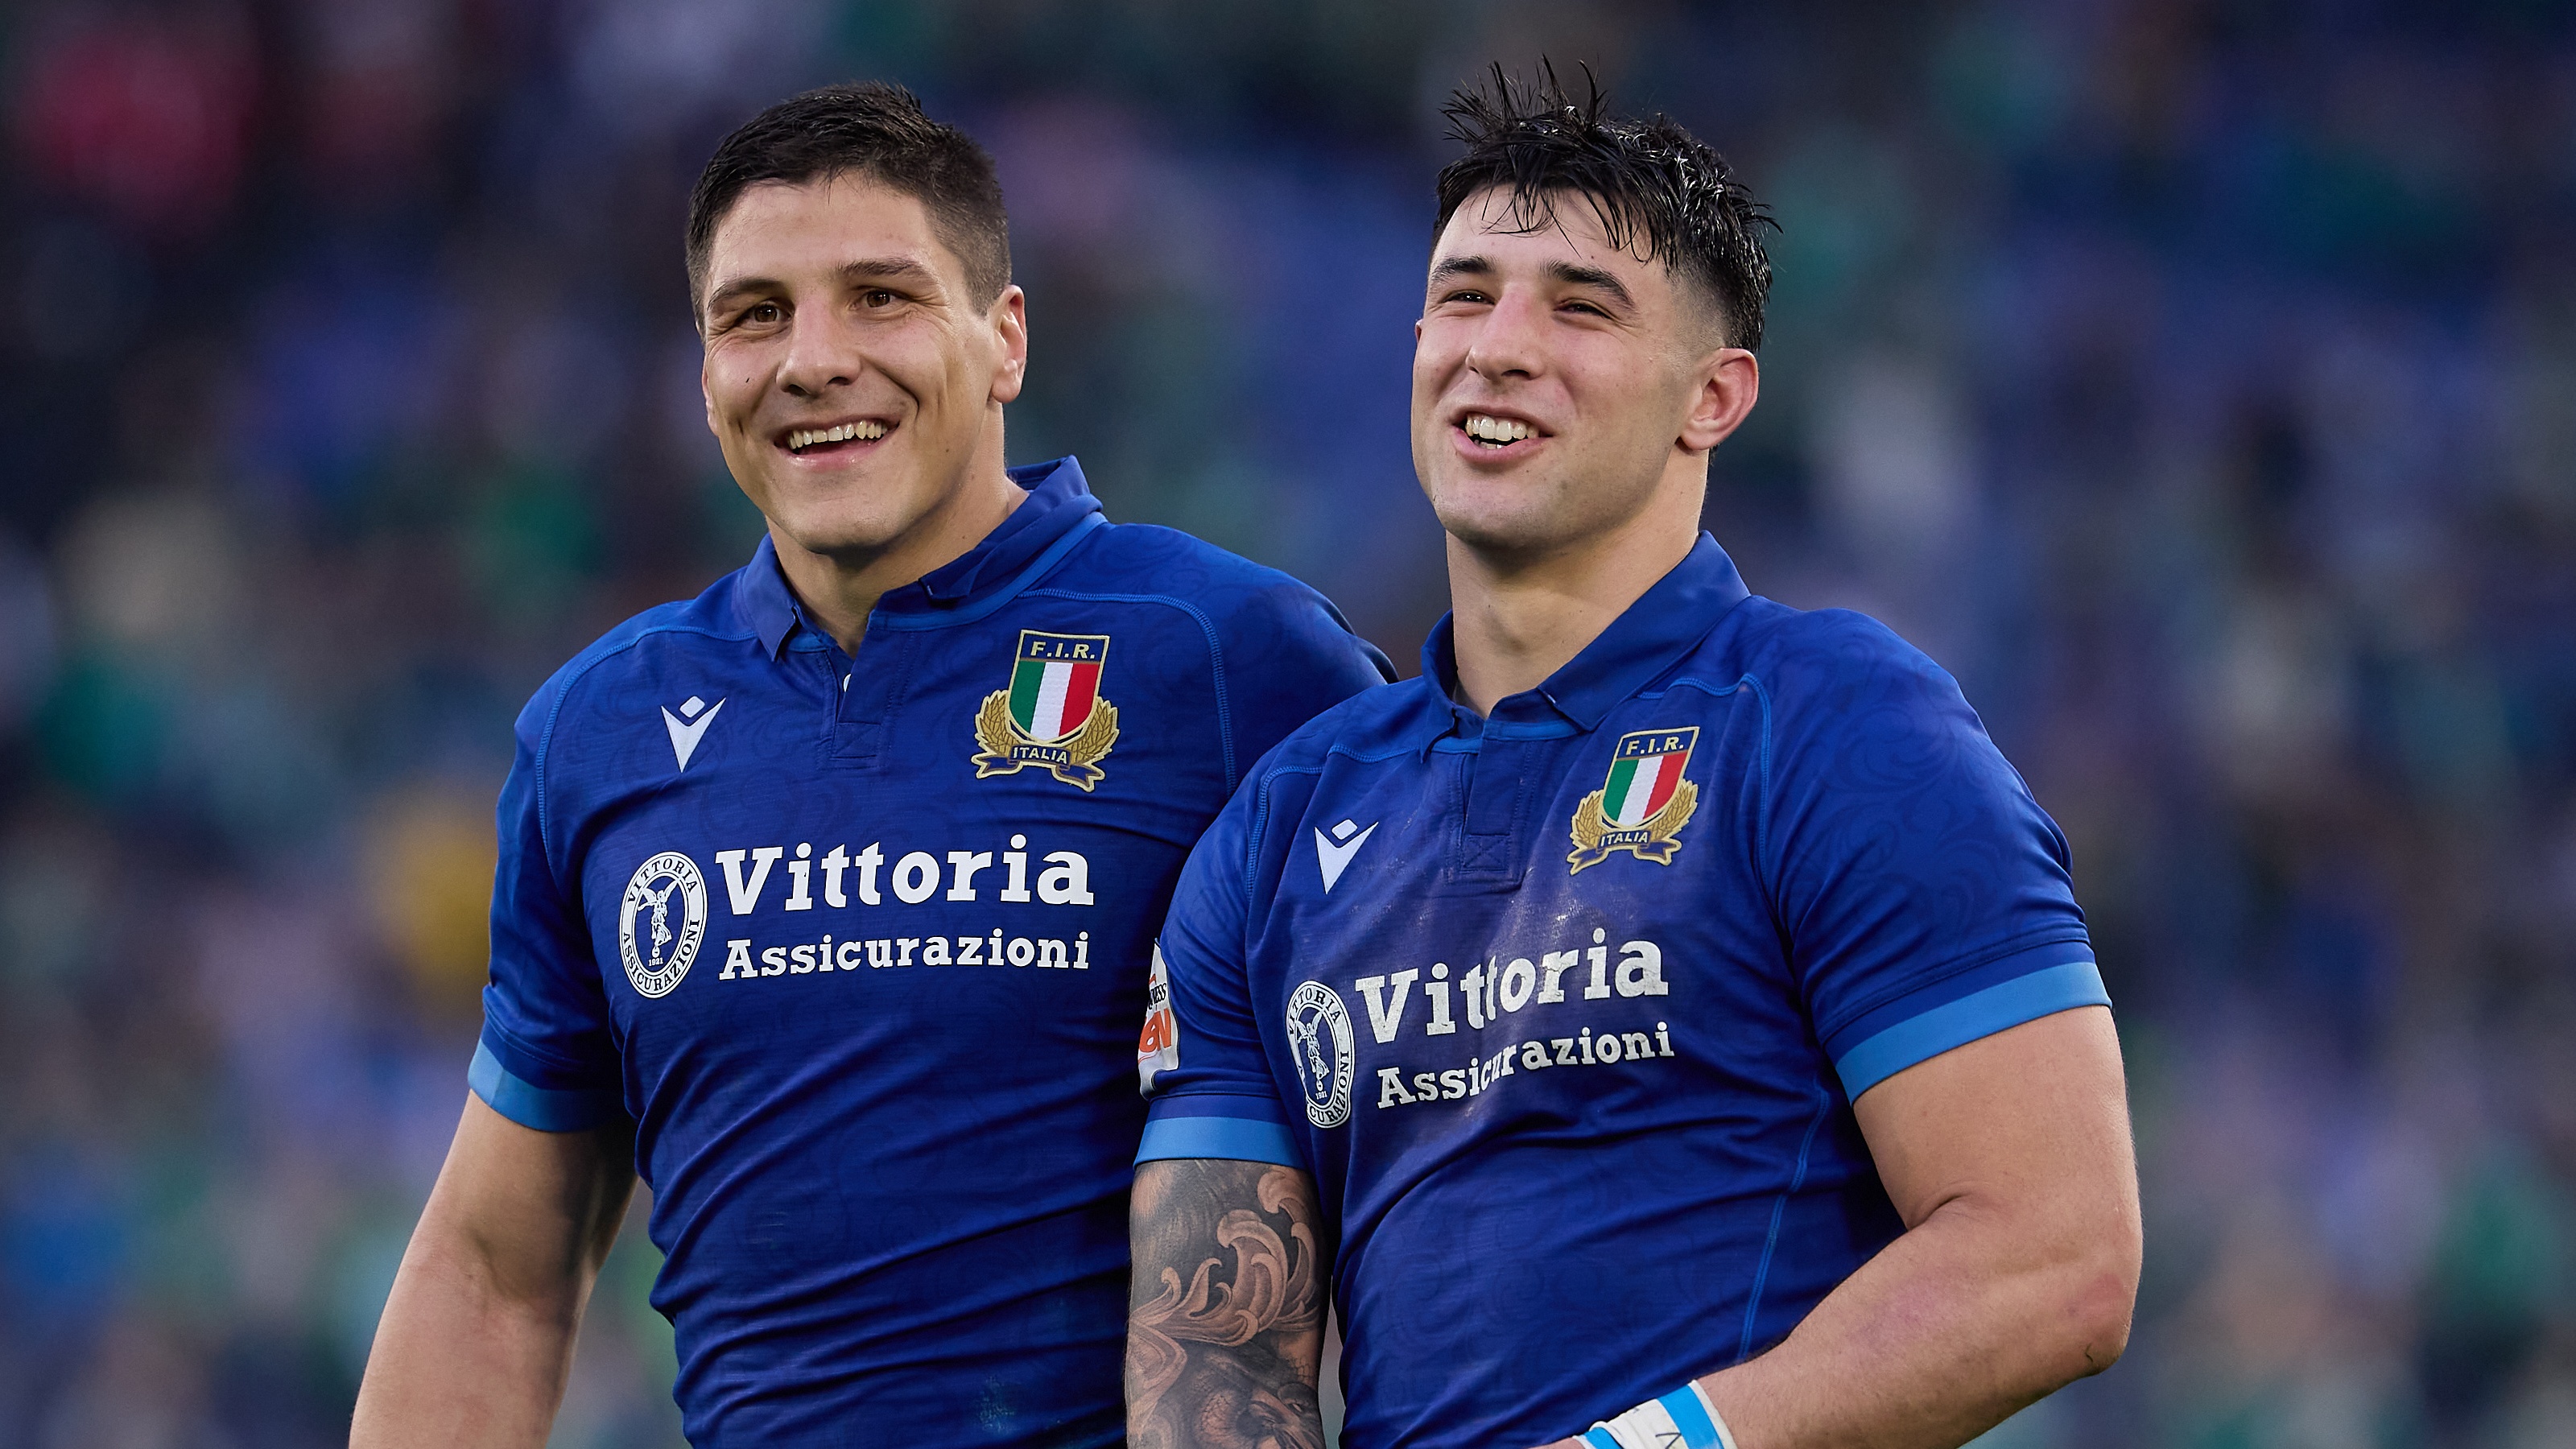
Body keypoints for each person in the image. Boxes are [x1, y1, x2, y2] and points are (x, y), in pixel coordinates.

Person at [350, 81, 1392, 1447]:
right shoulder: (596, 731)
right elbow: (497, 1273)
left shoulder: (1236, 659)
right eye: (755, 315)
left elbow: (1453, 1125)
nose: (814, 359)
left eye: (882, 298)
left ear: (1005, 338)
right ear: (705, 371)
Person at [1127, 66, 2140, 1449]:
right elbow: (1218, 1357)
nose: (1497, 345)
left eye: (1580, 307)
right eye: (1467, 296)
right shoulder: (1280, 824)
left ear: (1713, 397)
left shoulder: (1835, 722)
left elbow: (2055, 1261)